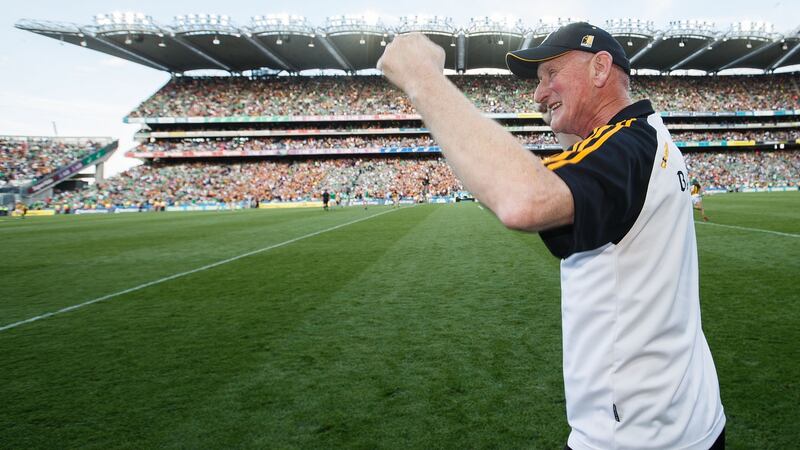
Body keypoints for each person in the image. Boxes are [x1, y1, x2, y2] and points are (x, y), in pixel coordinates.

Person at [378, 22, 725, 450]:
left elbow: (523, 200)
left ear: (600, 68)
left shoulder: (625, 146)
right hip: (689, 415)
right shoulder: (649, 135)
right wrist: (567, 122)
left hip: (634, 435)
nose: (538, 94)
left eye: (550, 74)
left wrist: (423, 79)